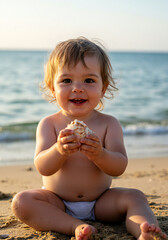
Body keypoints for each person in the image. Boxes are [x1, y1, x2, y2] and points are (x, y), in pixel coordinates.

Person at [11, 37, 167, 240]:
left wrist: (99, 154)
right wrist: (59, 150)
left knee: (135, 197)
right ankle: (75, 226)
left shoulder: (109, 124)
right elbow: (43, 167)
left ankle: (144, 230)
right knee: (22, 202)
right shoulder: (49, 124)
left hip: (101, 202)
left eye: (89, 80)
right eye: (66, 80)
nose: (77, 88)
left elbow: (118, 167)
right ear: (52, 87)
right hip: (57, 201)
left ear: (103, 88)